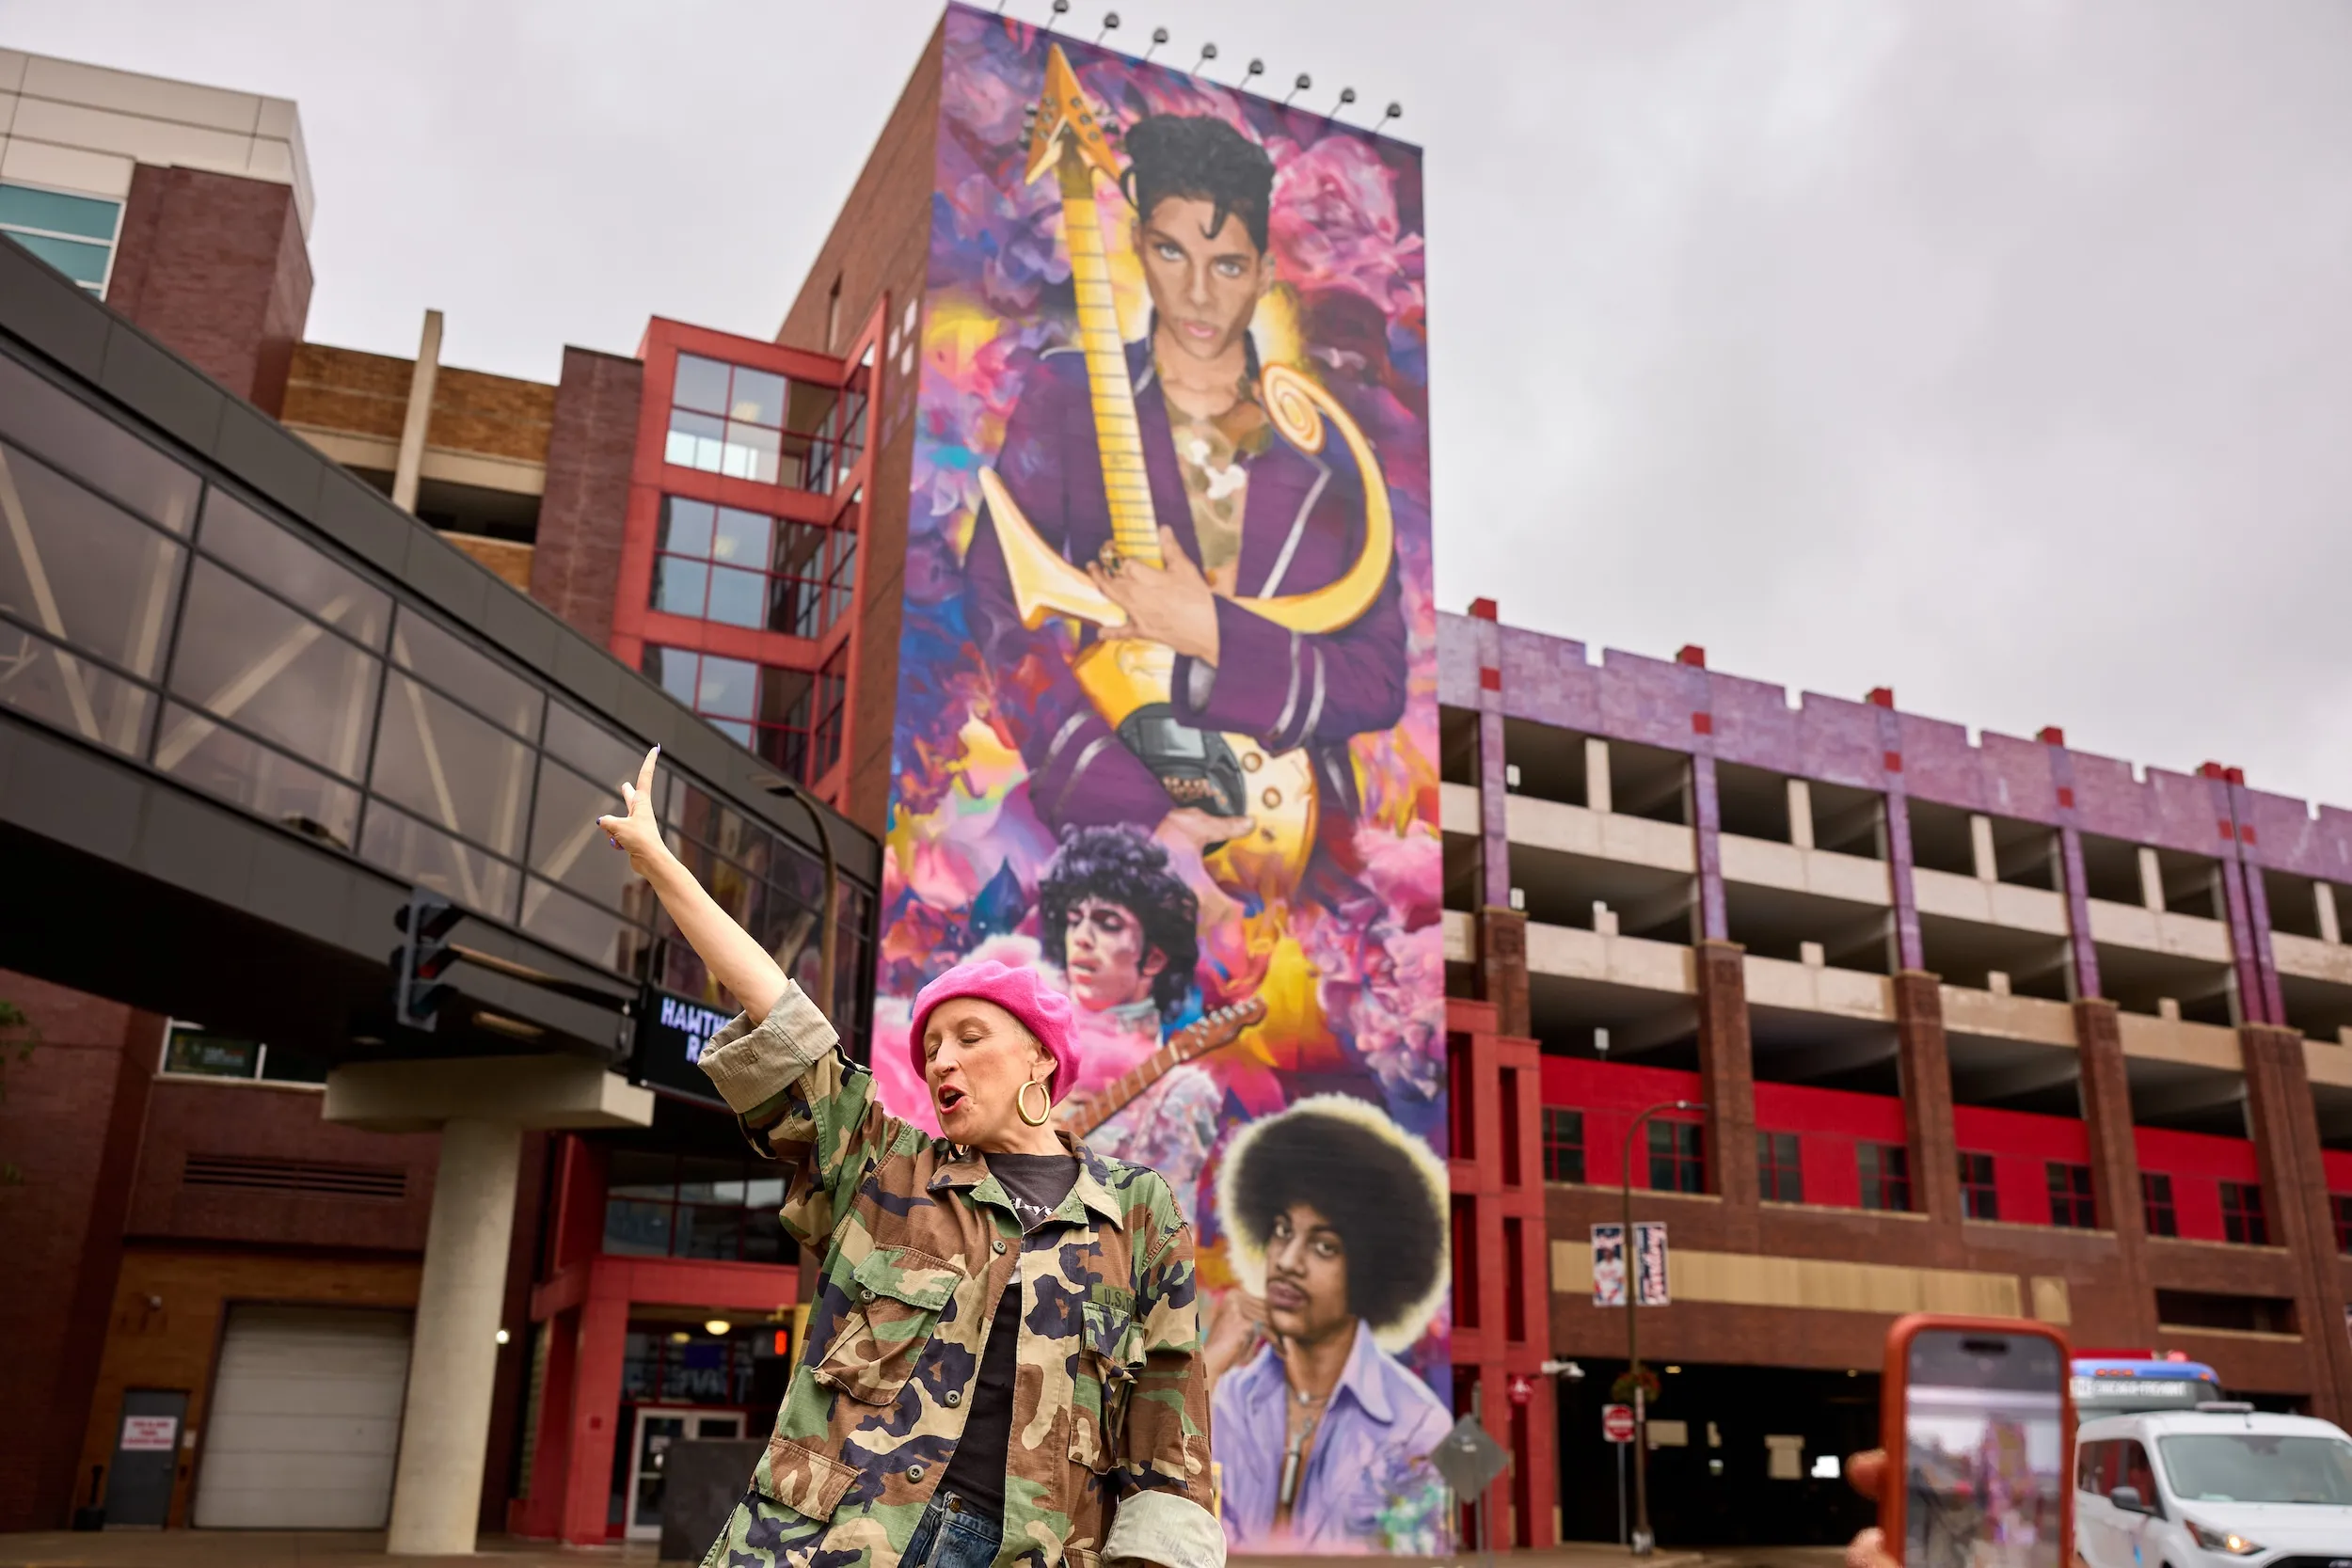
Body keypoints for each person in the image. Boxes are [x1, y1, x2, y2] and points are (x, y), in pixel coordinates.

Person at [597, 747, 1221, 1568]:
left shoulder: (1138, 1211)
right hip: (837, 1543)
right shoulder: (889, 1169)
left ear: (1041, 1059)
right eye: (930, 1047)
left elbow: (1169, 1440)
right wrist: (660, 862)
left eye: (970, 1037)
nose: (940, 1062)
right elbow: (784, 1020)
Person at [964, 112, 1407, 859]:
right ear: (1140, 248)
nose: (1199, 293)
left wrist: (1207, 630)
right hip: (1105, 852)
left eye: (1228, 265)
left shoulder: (1333, 460)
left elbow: (1378, 680)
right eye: (1172, 252)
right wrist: (1137, 818)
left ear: (1265, 273)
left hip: (1289, 863)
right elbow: (1003, 620)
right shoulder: (1066, 395)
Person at [1202, 1096, 1451, 1548]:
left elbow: (1425, 1549)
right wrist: (1209, 1366)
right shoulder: (1228, 1398)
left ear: (1368, 1272)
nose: (1288, 1261)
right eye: (1282, 1230)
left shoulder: (1419, 1423)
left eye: (1324, 1247)